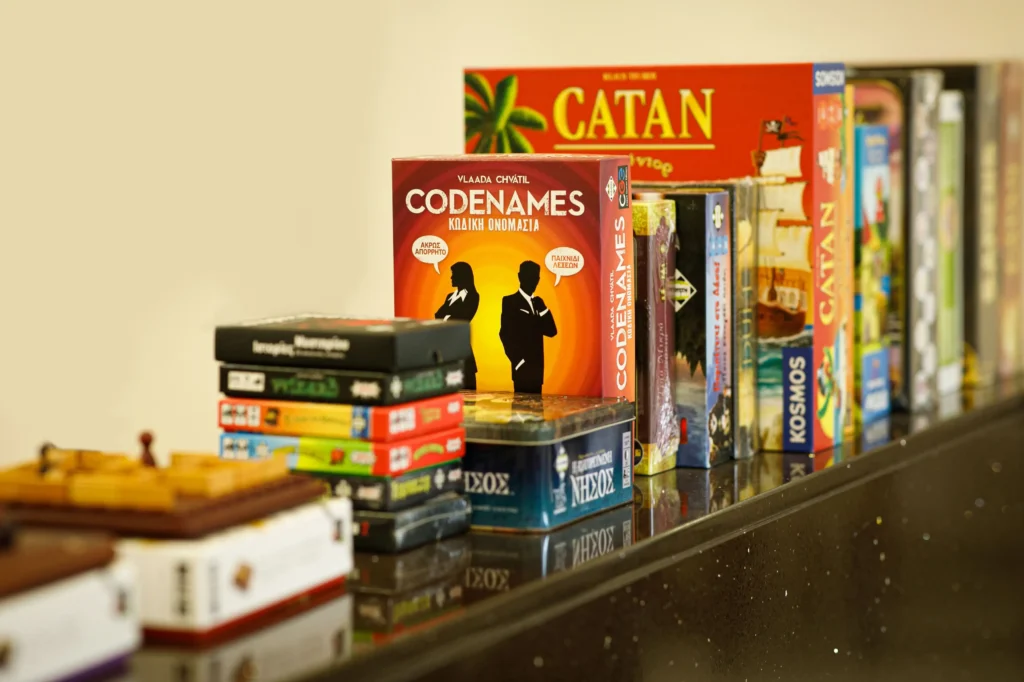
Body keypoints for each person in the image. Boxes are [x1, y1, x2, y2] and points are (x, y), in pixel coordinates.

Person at [499, 260, 557, 394]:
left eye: (536, 277)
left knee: (537, 405)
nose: (534, 281)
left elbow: (551, 331)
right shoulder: (510, 301)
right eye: (529, 276)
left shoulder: (538, 304)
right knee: (521, 405)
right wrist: (518, 361)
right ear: (520, 277)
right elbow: (504, 333)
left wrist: (544, 310)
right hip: (521, 369)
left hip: (537, 370)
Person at [435, 261, 479, 389]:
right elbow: (438, 314)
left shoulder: (473, 296)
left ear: (462, 276)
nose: (451, 277)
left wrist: (446, 317)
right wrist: (448, 317)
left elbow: (462, 318)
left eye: (454, 274)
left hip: (462, 351)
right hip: (447, 350)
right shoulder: (450, 296)